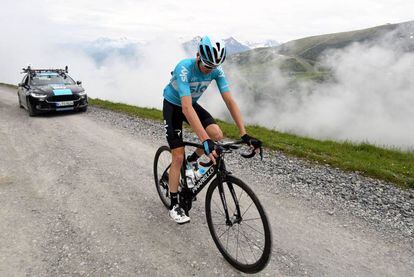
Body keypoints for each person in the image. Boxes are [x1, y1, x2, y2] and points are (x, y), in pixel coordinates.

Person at [163, 36, 262, 224]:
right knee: (177, 156)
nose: (209, 70)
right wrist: (204, 141)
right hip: (174, 106)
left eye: (213, 67)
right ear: (198, 55)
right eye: (207, 65)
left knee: (216, 134)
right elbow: (186, 108)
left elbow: (229, 101)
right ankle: (174, 204)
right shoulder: (184, 68)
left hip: (191, 104)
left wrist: (244, 134)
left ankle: (192, 162)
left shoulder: (216, 70)